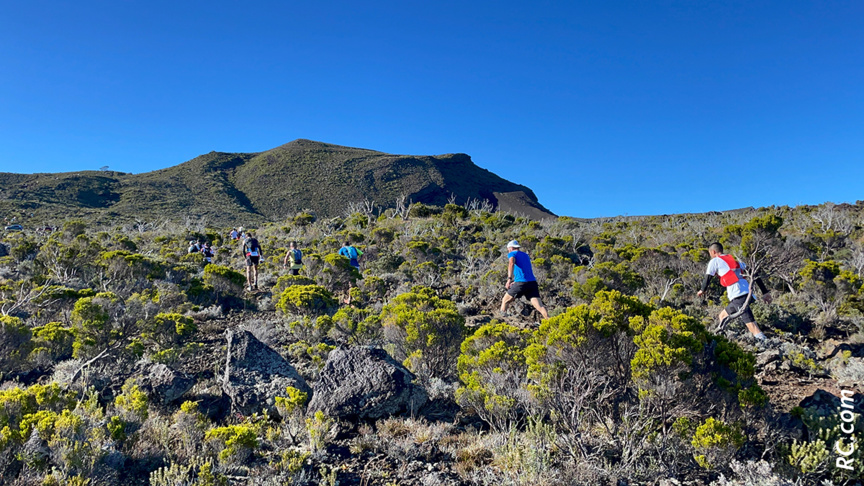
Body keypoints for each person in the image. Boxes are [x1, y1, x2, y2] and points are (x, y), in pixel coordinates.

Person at [697, 242, 772, 341]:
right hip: (745, 293)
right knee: (723, 316)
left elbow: (708, 277)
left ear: (713, 252)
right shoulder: (734, 260)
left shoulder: (715, 261)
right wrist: (765, 292)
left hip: (738, 294)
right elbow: (754, 274)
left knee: (751, 323)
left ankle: (764, 342)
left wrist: (702, 290)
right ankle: (722, 340)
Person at [500, 240, 549, 320]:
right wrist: (515, 281)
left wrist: (509, 279)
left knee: (505, 300)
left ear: (511, 248)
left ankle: (502, 322)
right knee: (539, 306)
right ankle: (550, 321)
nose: (508, 251)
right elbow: (524, 270)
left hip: (521, 283)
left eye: (508, 249)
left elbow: (511, 263)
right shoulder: (526, 255)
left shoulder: (512, 253)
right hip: (532, 283)